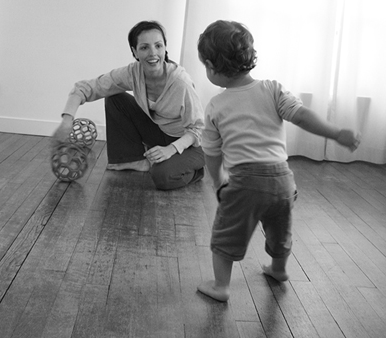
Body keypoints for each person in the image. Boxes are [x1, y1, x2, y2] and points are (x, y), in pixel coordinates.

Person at [196, 20, 361, 302]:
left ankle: (221, 286)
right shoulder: (272, 89)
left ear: (211, 66)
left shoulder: (216, 106)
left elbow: (212, 152)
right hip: (283, 181)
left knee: (226, 233)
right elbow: (301, 115)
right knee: (279, 228)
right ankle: (278, 269)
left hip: (245, 183)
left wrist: (218, 181)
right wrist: (335, 133)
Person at [52, 20, 205, 190]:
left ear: (164, 48)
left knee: (162, 177)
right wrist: (67, 120)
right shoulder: (133, 73)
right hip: (160, 132)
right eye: (144, 47)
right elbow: (86, 87)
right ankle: (131, 160)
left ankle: (195, 170)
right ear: (135, 52)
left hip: (190, 144)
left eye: (158, 46)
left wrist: (170, 149)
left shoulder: (180, 82)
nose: (153, 53)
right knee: (115, 97)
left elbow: (198, 130)